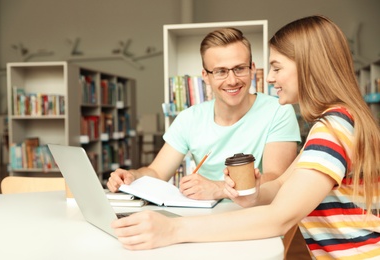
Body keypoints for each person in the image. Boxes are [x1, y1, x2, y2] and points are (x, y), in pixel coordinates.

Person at [110, 15, 380, 259]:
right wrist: (250, 194)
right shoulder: (334, 124)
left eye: (276, 67)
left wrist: (173, 229)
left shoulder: (333, 129)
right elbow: (282, 185)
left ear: (309, 67)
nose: (271, 78)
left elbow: (279, 218)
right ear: (206, 76)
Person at [107, 28, 300, 200]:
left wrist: (220, 189)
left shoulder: (279, 110)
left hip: (258, 216)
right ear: (205, 76)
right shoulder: (189, 118)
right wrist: (133, 176)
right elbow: (157, 172)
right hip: (205, 217)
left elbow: (277, 178)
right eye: (220, 71)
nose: (232, 80)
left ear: (252, 69)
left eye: (240, 68)